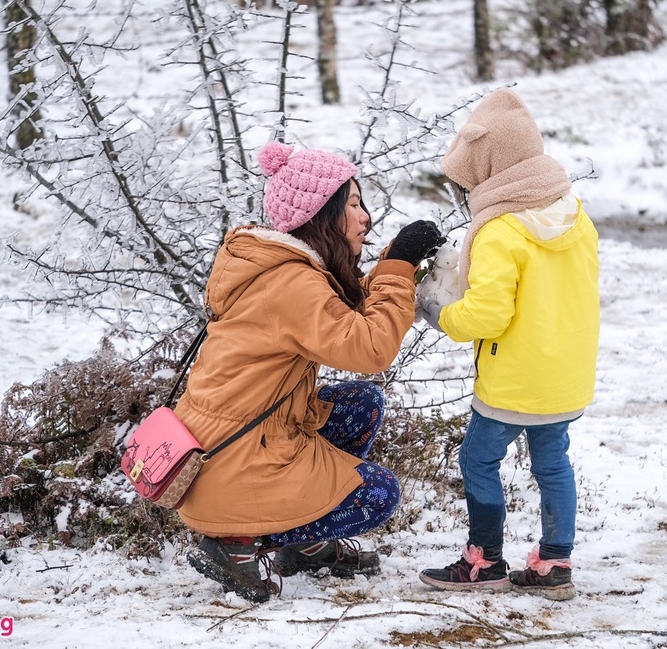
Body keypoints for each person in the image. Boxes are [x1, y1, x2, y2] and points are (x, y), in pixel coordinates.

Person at [177, 141, 443, 604]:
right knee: (377, 495)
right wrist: (398, 266)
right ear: (323, 213)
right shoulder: (290, 282)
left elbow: (339, 311)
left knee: (361, 404)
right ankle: (235, 546)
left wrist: (393, 271)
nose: (366, 218)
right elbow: (370, 346)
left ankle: (305, 547)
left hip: (226, 451)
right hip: (232, 464)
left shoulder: (282, 269)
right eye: (355, 204)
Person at [417, 88, 600, 601]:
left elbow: (487, 316)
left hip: (513, 381)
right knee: (553, 464)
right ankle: (555, 563)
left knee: (478, 461)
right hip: (564, 376)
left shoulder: (501, 231)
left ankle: (484, 561)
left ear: (490, 168)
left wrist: (436, 312)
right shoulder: (574, 214)